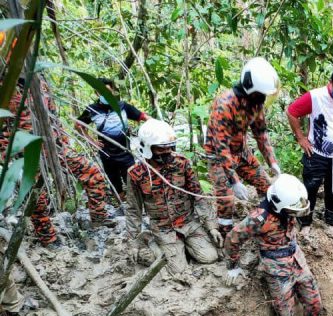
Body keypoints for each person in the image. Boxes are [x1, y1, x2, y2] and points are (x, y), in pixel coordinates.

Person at [224, 174, 323, 316]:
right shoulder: (259, 218)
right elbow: (233, 238)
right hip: (276, 269)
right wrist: (233, 265)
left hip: (297, 259)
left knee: (314, 301)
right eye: (292, 211)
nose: (294, 214)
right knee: (284, 313)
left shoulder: (290, 199)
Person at [0, 77, 113, 247]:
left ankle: (99, 218)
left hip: (55, 147)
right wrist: (6, 156)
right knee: (37, 199)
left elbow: (53, 116)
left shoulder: (39, 79)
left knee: (92, 172)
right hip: (24, 154)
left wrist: (64, 141)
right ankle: (48, 238)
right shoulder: (5, 85)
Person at [126, 119, 222, 275]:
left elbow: (198, 196)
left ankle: (182, 248)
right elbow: (133, 210)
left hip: (189, 223)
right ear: (148, 147)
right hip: (163, 229)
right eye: (161, 149)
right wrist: (133, 242)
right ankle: (152, 242)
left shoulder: (182, 163)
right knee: (178, 270)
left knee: (210, 257)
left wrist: (212, 226)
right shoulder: (136, 173)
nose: (167, 152)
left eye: (169, 147)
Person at [203, 57, 281, 236]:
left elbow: (261, 133)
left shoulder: (256, 103)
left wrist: (272, 162)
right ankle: (226, 235)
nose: (262, 98)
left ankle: (266, 223)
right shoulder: (225, 104)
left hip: (241, 152)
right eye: (260, 94)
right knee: (227, 199)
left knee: (266, 186)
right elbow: (221, 146)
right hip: (218, 157)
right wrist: (235, 181)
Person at [286, 66, 333, 236]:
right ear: (331, 83)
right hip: (315, 152)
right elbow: (292, 112)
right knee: (310, 187)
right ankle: (305, 223)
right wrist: (301, 138)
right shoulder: (315, 97)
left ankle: (331, 222)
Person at [76, 78, 149, 197]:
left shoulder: (123, 106)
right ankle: (121, 202)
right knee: (114, 181)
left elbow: (143, 116)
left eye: (108, 91)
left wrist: (158, 126)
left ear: (113, 91)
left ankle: (134, 203)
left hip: (125, 152)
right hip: (106, 153)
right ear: (97, 93)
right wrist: (91, 141)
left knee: (132, 179)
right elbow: (78, 125)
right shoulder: (92, 110)